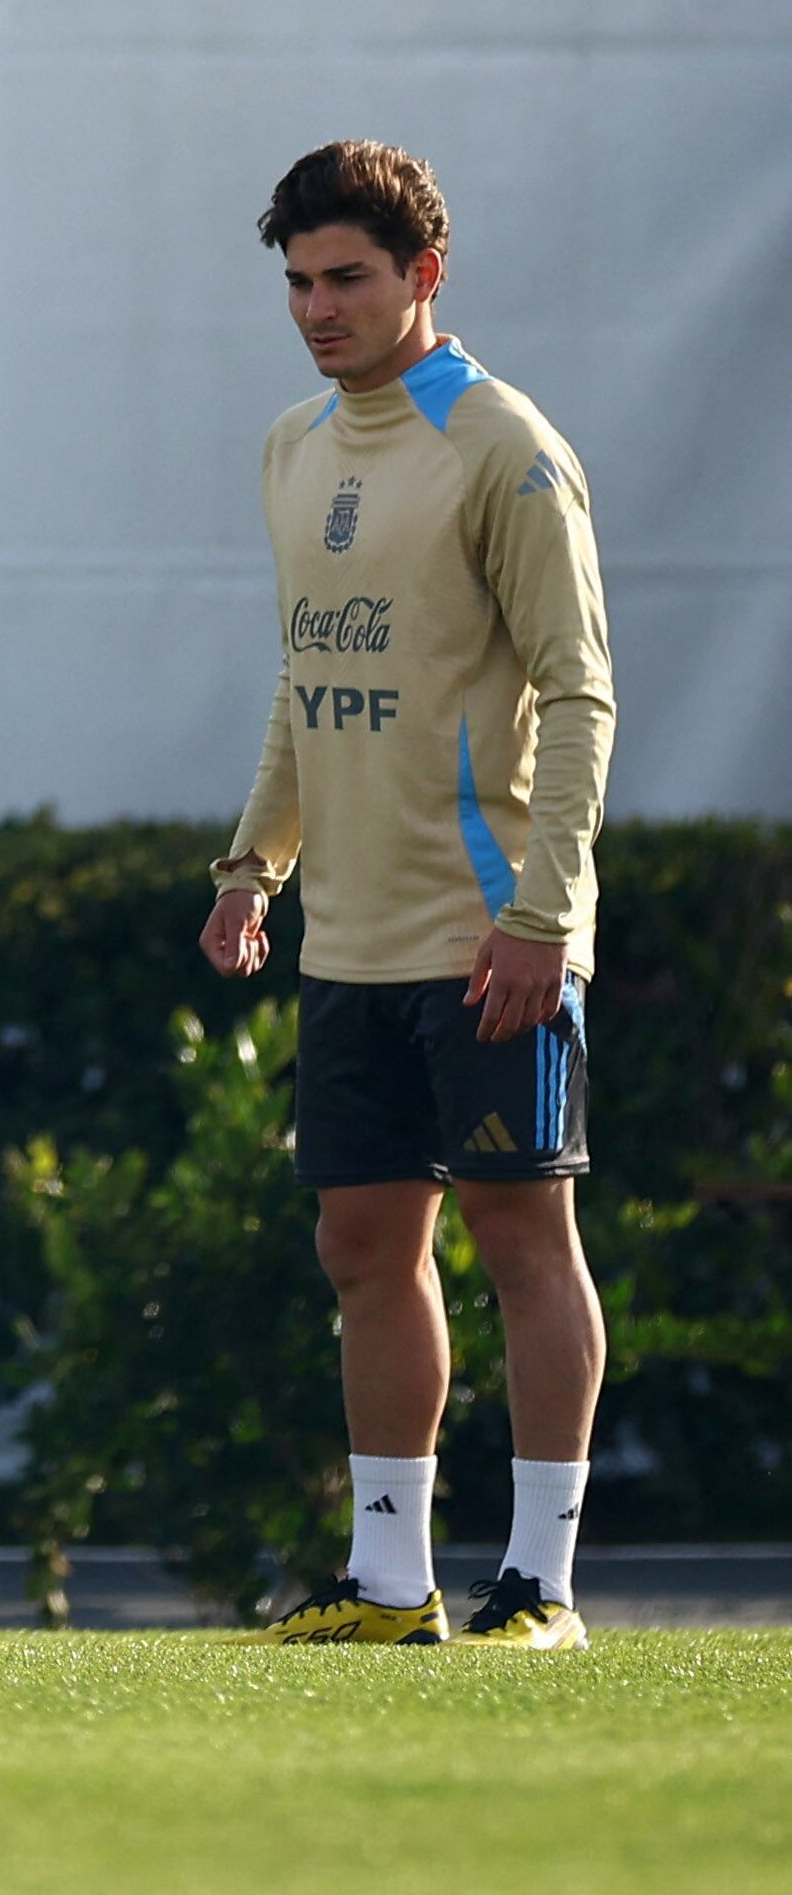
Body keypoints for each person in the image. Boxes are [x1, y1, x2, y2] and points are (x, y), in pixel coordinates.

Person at [206, 141, 614, 1650]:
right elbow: (306, 684)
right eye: (299, 283)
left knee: (521, 1244)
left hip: (485, 929)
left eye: (347, 279)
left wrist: (541, 913)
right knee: (363, 1250)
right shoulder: (289, 446)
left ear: (421, 273)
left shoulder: (503, 445)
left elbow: (579, 694)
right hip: (351, 941)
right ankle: (389, 1585)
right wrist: (254, 865)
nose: (317, 308)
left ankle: (544, 1588)